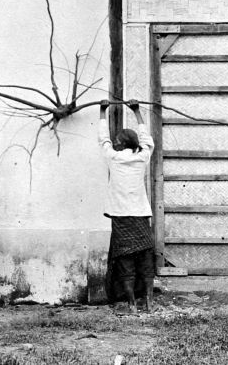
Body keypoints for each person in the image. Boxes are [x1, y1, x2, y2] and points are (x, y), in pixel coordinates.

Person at [98, 99, 156, 312]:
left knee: (125, 262)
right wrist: (137, 111)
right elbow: (147, 139)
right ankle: (149, 302)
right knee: (145, 261)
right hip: (140, 215)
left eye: (117, 140)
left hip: (121, 217)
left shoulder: (113, 157)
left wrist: (102, 112)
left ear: (121, 144)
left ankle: (132, 303)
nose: (114, 141)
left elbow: (102, 139)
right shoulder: (142, 156)